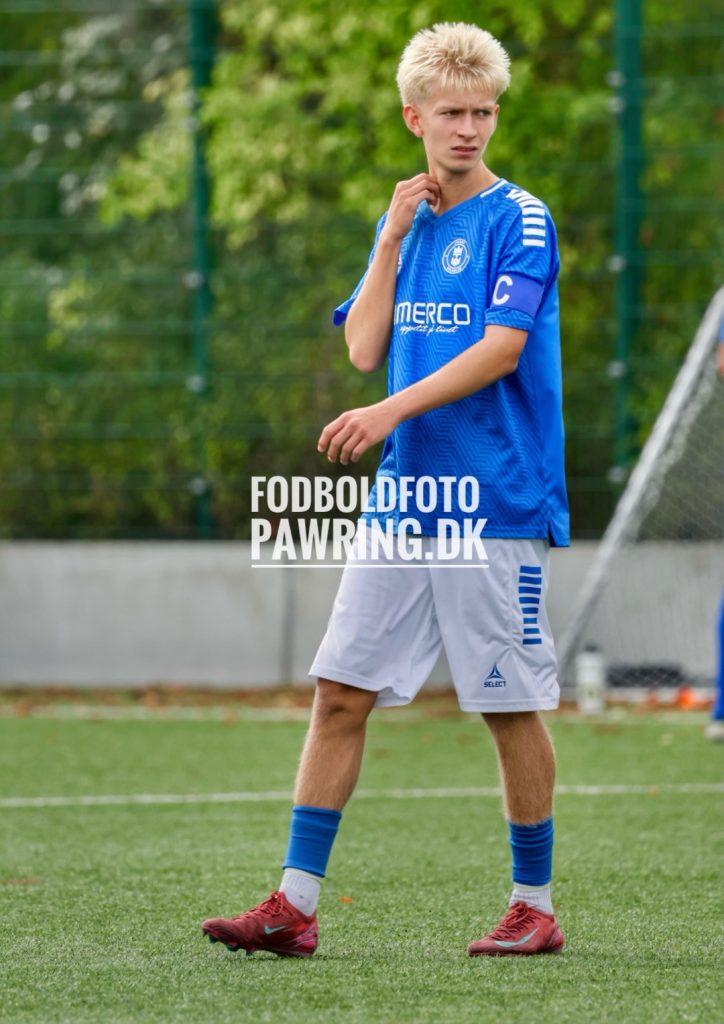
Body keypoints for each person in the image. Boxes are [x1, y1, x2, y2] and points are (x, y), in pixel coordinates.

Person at [202, 21, 569, 958]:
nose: (469, 129)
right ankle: (293, 907)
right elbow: (364, 347)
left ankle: (534, 906)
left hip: (497, 498)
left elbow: (501, 351)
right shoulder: (402, 220)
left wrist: (384, 414)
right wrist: (391, 239)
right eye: (452, 114)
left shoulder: (522, 219)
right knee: (339, 692)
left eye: (483, 112)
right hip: (406, 501)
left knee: (506, 704)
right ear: (415, 118)